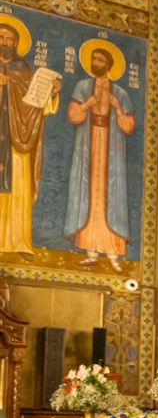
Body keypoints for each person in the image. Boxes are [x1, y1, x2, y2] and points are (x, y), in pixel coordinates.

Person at [66, 45, 134, 273]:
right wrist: (88, 103)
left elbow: (128, 126)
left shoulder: (121, 93)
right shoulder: (82, 86)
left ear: (108, 64)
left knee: (110, 197)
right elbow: (74, 116)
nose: (96, 62)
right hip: (89, 144)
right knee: (89, 194)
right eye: (93, 59)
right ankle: (91, 252)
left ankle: (113, 255)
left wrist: (116, 107)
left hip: (111, 148)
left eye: (100, 59)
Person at [0, 19, 60, 255]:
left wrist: (51, 92)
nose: (5, 42)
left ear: (16, 43)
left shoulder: (24, 71)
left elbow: (38, 105)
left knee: (18, 188)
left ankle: (16, 243)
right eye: (1, 37)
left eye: (9, 38)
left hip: (18, 136)